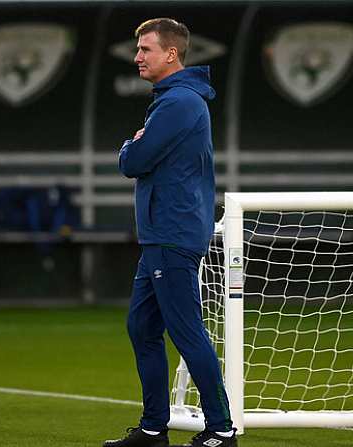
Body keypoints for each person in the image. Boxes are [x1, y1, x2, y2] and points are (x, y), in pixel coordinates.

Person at [103, 18, 237, 447]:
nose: (138, 56)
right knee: (141, 326)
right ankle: (152, 429)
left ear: (171, 54)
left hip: (173, 234)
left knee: (186, 330)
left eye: (145, 49)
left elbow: (133, 161)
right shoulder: (175, 100)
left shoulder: (179, 102)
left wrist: (129, 146)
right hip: (161, 235)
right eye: (138, 49)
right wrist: (137, 146)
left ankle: (220, 429)